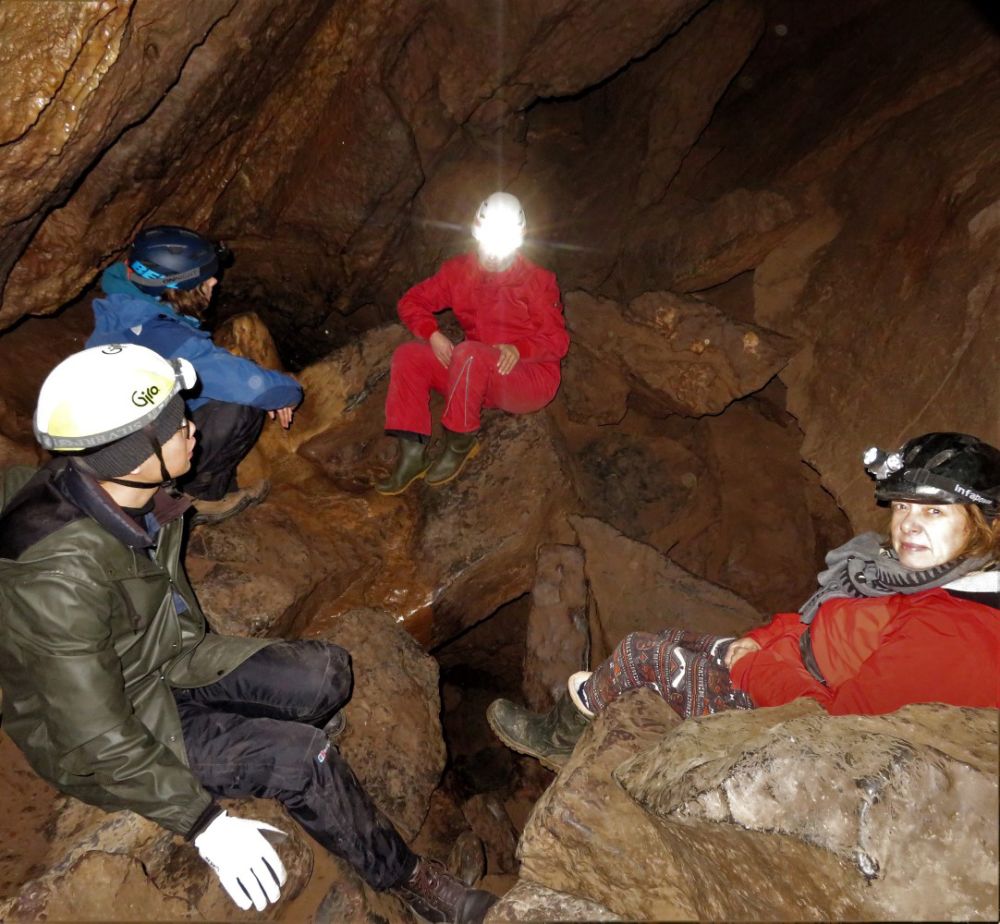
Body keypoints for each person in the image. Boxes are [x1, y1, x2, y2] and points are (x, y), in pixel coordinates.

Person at [0, 344, 497, 923]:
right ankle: (408, 878)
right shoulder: (59, 580)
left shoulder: (124, 490)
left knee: (326, 673)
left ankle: (264, 747)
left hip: (167, 658)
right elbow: (95, 735)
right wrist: (201, 822)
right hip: (122, 722)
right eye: (171, 423)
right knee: (303, 758)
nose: (190, 425)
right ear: (131, 454)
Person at [487, 432, 1000, 770]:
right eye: (905, 506)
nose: (908, 523)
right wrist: (759, 640)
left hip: (796, 716)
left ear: (982, 526)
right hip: (797, 665)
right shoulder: (915, 579)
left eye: (935, 513)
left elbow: (846, 730)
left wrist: (755, 665)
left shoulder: (956, 628)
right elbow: (825, 620)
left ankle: (559, 741)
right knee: (671, 637)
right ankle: (589, 714)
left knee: (646, 654)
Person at [88, 225, 303, 525]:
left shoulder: (132, 309)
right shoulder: (161, 335)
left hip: (126, 438)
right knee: (240, 407)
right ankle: (193, 500)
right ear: (176, 288)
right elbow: (242, 385)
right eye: (205, 278)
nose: (215, 281)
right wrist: (289, 389)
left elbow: (202, 363)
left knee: (231, 381)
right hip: (133, 463)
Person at [376, 191, 570, 495]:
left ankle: (460, 441)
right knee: (409, 355)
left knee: (468, 354)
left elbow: (557, 341)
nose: (494, 254)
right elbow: (411, 301)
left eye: (503, 244)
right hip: (476, 374)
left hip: (528, 377)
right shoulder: (458, 272)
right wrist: (432, 333)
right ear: (477, 232)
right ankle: (411, 454)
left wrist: (520, 349)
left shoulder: (537, 281)